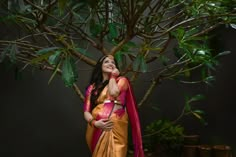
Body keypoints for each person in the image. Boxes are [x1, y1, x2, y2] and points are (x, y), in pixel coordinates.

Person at [83, 55, 145, 157]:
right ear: (100, 66)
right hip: (96, 127)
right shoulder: (92, 87)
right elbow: (86, 111)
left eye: (113, 62)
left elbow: (114, 93)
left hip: (116, 126)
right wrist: (95, 123)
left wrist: (112, 77)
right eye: (106, 62)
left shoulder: (121, 80)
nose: (110, 64)